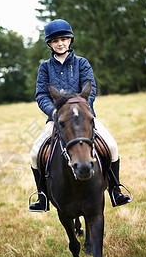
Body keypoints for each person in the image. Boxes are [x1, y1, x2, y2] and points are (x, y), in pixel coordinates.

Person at [29, 19, 131, 212]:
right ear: (49, 44)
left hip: (83, 117)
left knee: (111, 145)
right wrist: (54, 112)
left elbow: (90, 90)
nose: (60, 43)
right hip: (57, 119)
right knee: (35, 153)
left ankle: (116, 189)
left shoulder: (81, 63)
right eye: (55, 40)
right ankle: (41, 195)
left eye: (63, 39)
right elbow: (41, 94)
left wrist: (83, 109)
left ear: (69, 40)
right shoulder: (45, 68)